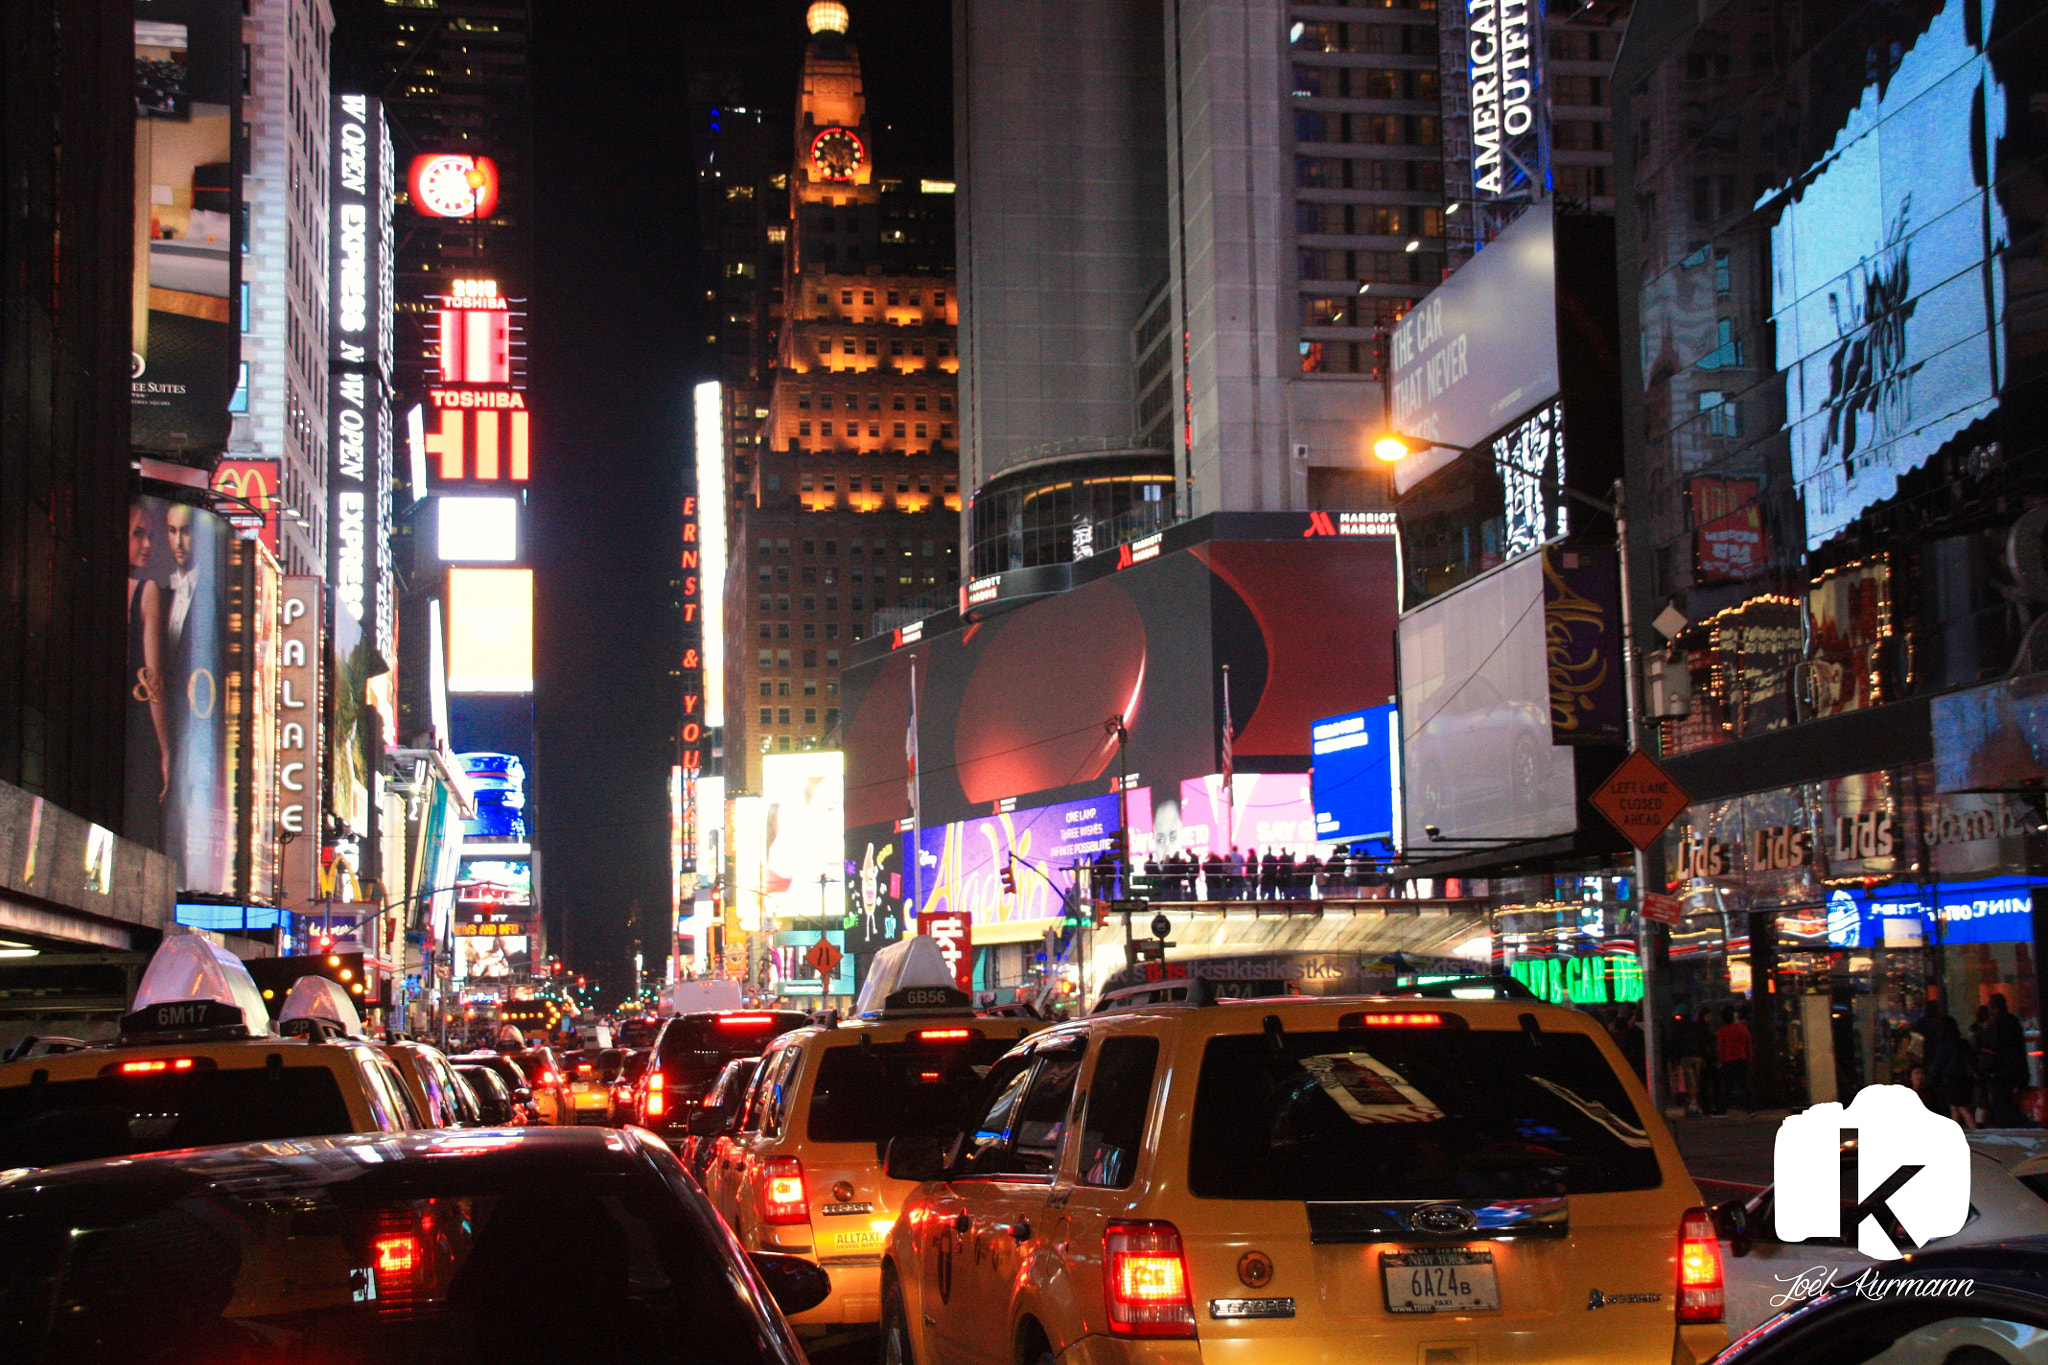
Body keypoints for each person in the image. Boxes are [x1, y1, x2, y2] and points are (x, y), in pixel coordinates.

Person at [124, 502, 171, 849]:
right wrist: (165, 750)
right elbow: (152, 680)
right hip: (137, 732)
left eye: (151, 535)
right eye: (138, 533)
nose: (147, 545)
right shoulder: (146, 591)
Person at [1981, 993, 2028, 1125]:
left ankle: (2021, 1126)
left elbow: (1991, 1050)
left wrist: (1985, 1067)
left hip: (1999, 1073)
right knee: (2006, 1104)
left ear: (1995, 1009)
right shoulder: (2013, 1023)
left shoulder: (1996, 1026)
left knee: (2000, 1106)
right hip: (2015, 1070)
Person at [1927, 1014, 1979, 1130]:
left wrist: (1931, 1073)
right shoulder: (1962, 1042)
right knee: (1959, 1107)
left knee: (1959, 1107)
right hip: (1964, 1078)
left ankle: (1973, 1131)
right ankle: (1967, 1130)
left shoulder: (1944, 1045)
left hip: (1952, 1079)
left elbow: (1939, 1063)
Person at [1716, 1006, 1753, 1113]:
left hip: (1728, 1060)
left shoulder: (1722, 1031)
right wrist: (1749, 1058)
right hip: (1742, 1059)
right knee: (1745, 1085)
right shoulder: (1742, 1029)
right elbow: (1748, 1044)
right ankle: (1750, 1108)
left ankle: (1723, 1109)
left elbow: (1721, 1047)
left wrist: (1721, 1061)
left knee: (1727, 1086)